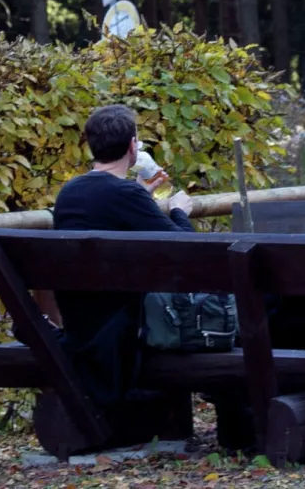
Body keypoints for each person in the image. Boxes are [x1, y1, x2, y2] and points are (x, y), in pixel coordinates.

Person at [51, 104, 195, 402]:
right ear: (132, 145)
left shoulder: (69, 193)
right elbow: (187, 250)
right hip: (123, 332)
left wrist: (142, 195)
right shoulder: (126, 194)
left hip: (83, 327)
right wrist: (180, 211)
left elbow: (112, 205)